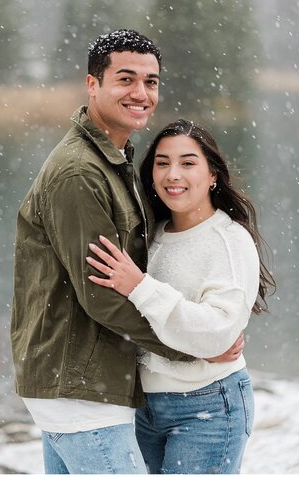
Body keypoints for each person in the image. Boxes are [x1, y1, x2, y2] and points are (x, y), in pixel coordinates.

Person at [10, 30, 241, 475]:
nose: (141, 93)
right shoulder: (80, 172)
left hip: (81, 382)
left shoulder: (112, 161)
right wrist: (193, 350)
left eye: (151, 82)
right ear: (92, 84)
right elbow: (102, 295)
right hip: (79, 387)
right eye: (126, 79)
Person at [87, 119, 275, 474]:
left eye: (188, 163)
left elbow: (217, 331)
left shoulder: (229, 241)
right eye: (162, 163)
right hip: (144, 405)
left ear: (213, 174)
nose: (173, 174)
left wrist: (140, 286)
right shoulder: (152, 233)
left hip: (207, 406)